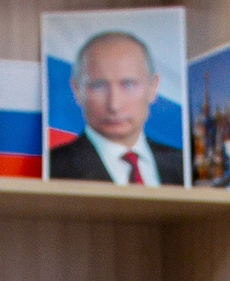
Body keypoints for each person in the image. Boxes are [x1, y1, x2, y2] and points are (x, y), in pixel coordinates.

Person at [47, 31, 184, 187]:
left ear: (153, 87)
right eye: (98, 86)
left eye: (128, 85)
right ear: (77, 90)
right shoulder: (54, 168)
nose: (114, 105)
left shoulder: (183, 165)